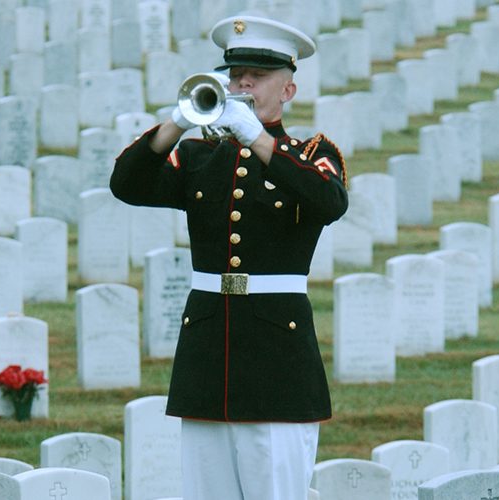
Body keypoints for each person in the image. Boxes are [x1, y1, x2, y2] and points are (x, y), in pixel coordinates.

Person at [110, 15, 348, 500]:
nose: (244, 83)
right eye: (237, 73)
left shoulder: (312, 153)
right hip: (207, 354)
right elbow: (127, 184)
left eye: (258, 76)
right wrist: (179, 118)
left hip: (276, 361)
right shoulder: (201, 156)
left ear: (288, 90)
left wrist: (257, 139)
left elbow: (329, 202)